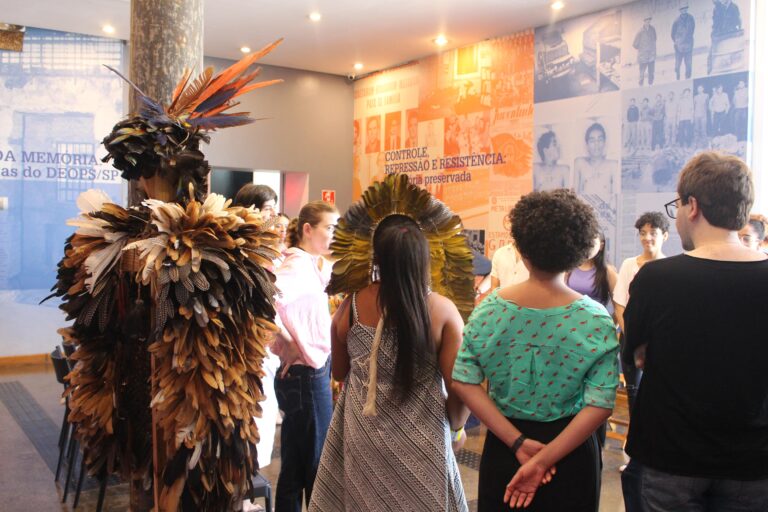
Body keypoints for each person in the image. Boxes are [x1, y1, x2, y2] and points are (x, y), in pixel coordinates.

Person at [453, 189, 619, 511]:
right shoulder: (595, 318)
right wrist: (544, 460)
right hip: (571, 452)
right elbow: (600, 405)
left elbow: (463, 381)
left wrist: (517, 442)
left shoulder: (489, 310)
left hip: (505, 446)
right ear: (578, 250)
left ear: (519, 247)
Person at [622, 152, 768, 511]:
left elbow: (636, 355)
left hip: (671, 458)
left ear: (693, 207)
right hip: (754, 461)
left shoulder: (656, 279)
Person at [309, 214, 470, 511]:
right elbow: (461, 388)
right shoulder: (442, 311)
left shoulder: (350, 306)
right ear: (422, 257)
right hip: (423, 441)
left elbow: (340, 372)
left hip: (363, 437)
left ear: (376, 256)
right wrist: (457, 429)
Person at [271, 200, 339, 511]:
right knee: (316, 466)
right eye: (330, 228)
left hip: (307, 374)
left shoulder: (309, 263)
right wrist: (287, 341)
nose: (334, 234)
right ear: (308, 229)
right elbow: (263, 301)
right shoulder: (297, 266)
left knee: (296, 466)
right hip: (306, 376)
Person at [232, 183, 280, 472]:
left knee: (264, 411)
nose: (272, 216)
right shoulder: (241, 248)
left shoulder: (267, 249)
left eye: (274, 209)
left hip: (264, 347)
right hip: (247, 346)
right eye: (267, 210)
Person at [613, 211, 669, 415]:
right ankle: (635, 431)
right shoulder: (629, 264)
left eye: (653, 233)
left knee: (658, 391)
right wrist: (632, 336)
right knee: (633, 392)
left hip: (658, 340)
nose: (647, 238)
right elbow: (619, 303)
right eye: (643, 233)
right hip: (630, 339)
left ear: (665, 236)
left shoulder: (670, 268)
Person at [574, 122, 618, 201]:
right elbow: (574, 197)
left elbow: (616, 198)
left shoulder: (613, 165)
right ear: (587, 145)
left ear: (604, 142)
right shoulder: (579, 164)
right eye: (592, 140)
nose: (596, 144)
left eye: (600, 139)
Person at [671, 4, 695, 80]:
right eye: (682, 9)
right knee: (677, 65)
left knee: (689, 65)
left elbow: (692, 30)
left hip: (688, 45)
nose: (684, 10)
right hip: (679, 46)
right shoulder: (676, 21)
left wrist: (688, 38)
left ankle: (687, 78)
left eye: (685, 8)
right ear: (680, 11)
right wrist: (677, 41)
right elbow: (672, 34)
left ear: (687, 9)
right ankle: (677, 77)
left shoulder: (691, 18)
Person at [633, 17, 657, 87]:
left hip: (651, 55)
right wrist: (642, 49)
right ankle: (641, 86)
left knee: (651, 72)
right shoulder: (640, 32)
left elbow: (655, 39)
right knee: (642, 73)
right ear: (644, 21)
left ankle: (650, 84)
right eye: (646, 20)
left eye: (649, 20)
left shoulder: (652, 29)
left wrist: (652, 49)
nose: (648, 22)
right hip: (643, 56)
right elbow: (634, 44)